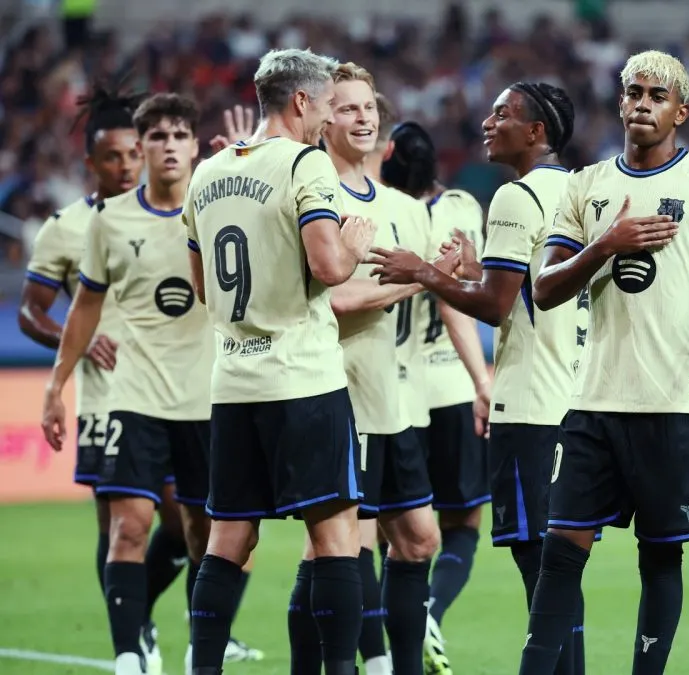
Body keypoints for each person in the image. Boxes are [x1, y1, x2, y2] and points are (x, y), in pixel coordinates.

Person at [519, 50, 689, 675]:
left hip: (671, 402)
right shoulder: (586, 185)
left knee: (661, 558)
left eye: (657, 95)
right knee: (560, 552)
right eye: (633, 92)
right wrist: (606, 243)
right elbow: (544, 289)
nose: (642, 104)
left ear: (681, 111)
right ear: (620, 101)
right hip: (592, 401)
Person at [368, 81, 588, 675]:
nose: (488, 123)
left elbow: (494, 305)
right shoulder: (580, 190)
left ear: (536, 132)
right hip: (575, 403)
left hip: (529, 406)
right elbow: (528, 292)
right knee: (560, 573)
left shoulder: (516, 197)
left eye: (503, 114)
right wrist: (474, 272)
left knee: (541, 573)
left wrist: (423, 272)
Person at [182, 48, 376, 675]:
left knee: (228, 539)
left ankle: (202, 668)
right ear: (300, 101)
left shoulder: (207, 173)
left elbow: (203, 288)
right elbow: (329, 267)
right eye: (327, 105)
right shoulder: (304, 163)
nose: (330, 118)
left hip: (234, 383)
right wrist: (353, 246)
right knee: (335, 537)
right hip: (302, 379)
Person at [286, 61, 457, 675]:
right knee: (334, 549)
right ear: (323, 119)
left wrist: (452, 273)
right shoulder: (312, 196)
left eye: (369, 108)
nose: (362, 118)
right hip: (336, 397)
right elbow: (332, 300)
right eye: (347, 108)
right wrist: (417, 280)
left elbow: (439, 284)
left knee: (418, 539)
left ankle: (396, 667)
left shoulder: (405, 208)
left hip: (392, 399)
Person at [40, 92, 214, 675]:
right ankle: (128, 654)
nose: (169, 147)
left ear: (195, 145)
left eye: (180, 135)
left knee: (201, 532)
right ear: (142, 148)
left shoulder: (216, 209)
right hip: (127, 395)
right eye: (157, 137)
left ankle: (198, 644)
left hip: (204, 398)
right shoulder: (99, 222)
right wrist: (56, 385)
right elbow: (79, 307)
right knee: (126, 525)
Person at [377, 119, 492, 673]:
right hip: (450, 385)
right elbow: (461, 295)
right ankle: (430, 610)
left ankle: (389, 642)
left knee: (392, 530)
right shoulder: (460, 209)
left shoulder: (376, 210)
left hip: (394, 389)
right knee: (462, 524)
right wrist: (482, 381)